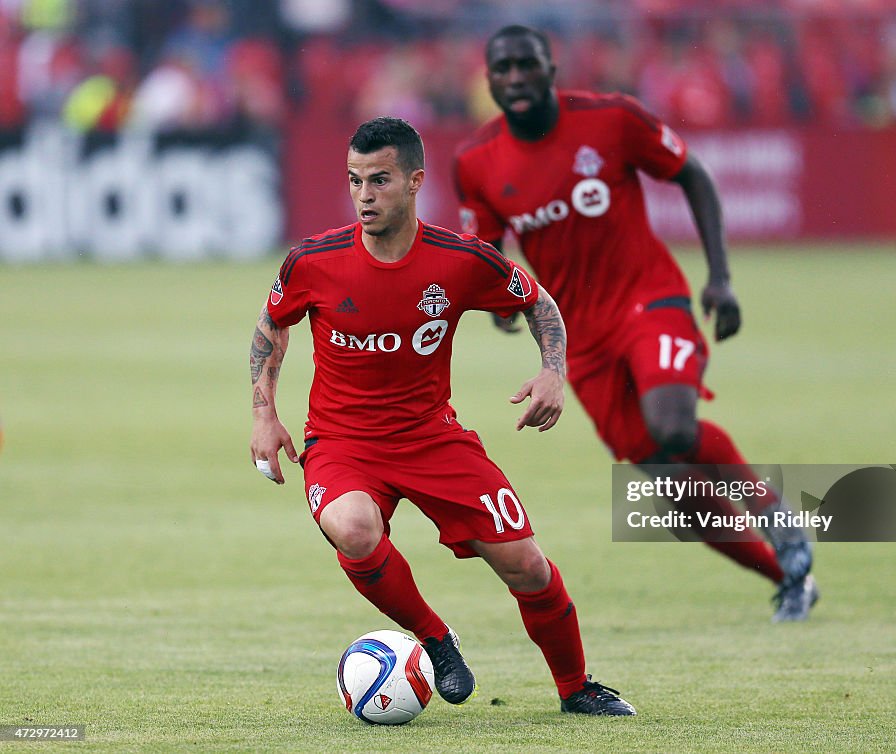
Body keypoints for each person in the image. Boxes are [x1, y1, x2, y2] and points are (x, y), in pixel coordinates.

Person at [248, 116, 636, 716]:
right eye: (354, 181)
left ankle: (576, 687)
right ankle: (436, 639)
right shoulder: (314, 261)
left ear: (414, 181)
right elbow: (273, 323)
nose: (364, 195)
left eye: (379, 180)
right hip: (342, 443)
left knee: (527, 567)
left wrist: (552, 371)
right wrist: (264, 414)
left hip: (432, 438)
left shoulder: (458, 261)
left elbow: (539, 303)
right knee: (352, 529)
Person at [453, 25, 818, 622]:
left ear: (551, 67)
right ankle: (790, 580)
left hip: (651, 300)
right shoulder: (475, 162)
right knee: (671, 488)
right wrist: (499, 303)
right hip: (580, 337)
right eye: (503, 68)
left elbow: (692, 175)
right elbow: (485, 249)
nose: (515, 77)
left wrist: (719, 277)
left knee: (672, 426)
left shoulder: (612, 119)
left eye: (527, 64)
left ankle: (774, 514)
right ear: (488, 78)